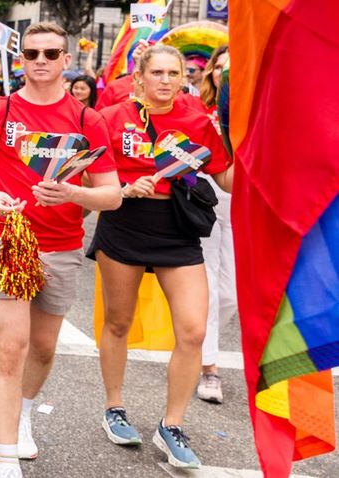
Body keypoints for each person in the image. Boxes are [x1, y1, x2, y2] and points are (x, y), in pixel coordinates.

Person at [0, 23, 121, 478]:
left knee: (43, 348)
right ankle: (6, 456)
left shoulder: (89, 120)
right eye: (32, 53)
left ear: (67, 60)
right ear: (21, 60)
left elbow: (112, 195)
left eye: (51, 52)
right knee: (12, 347)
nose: (41, 60)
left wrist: (73, 195)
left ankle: (24, 411)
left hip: (62, 245)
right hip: (7, 240)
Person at [92, 44, 232, 469]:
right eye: (158, 73)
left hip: (178, 229)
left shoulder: (197, 120)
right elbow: (93, 175)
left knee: (192, 330)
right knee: (118, 321)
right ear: (140, 77)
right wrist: (120, 190)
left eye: (174, 73)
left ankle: (172, 424)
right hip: (125, 224)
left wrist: (247, 138)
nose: (167, 80)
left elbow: (228, 181)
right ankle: (114, 407)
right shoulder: (113, 119)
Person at [196, 44, 234, 404]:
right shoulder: (198, 109)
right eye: (221, 67)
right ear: (211, 72)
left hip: (241, 199)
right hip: (203, 199)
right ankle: (209, 368)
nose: (227, 74)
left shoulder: (257, 110)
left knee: (231, 294)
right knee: (206, 286)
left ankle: (195, 343)